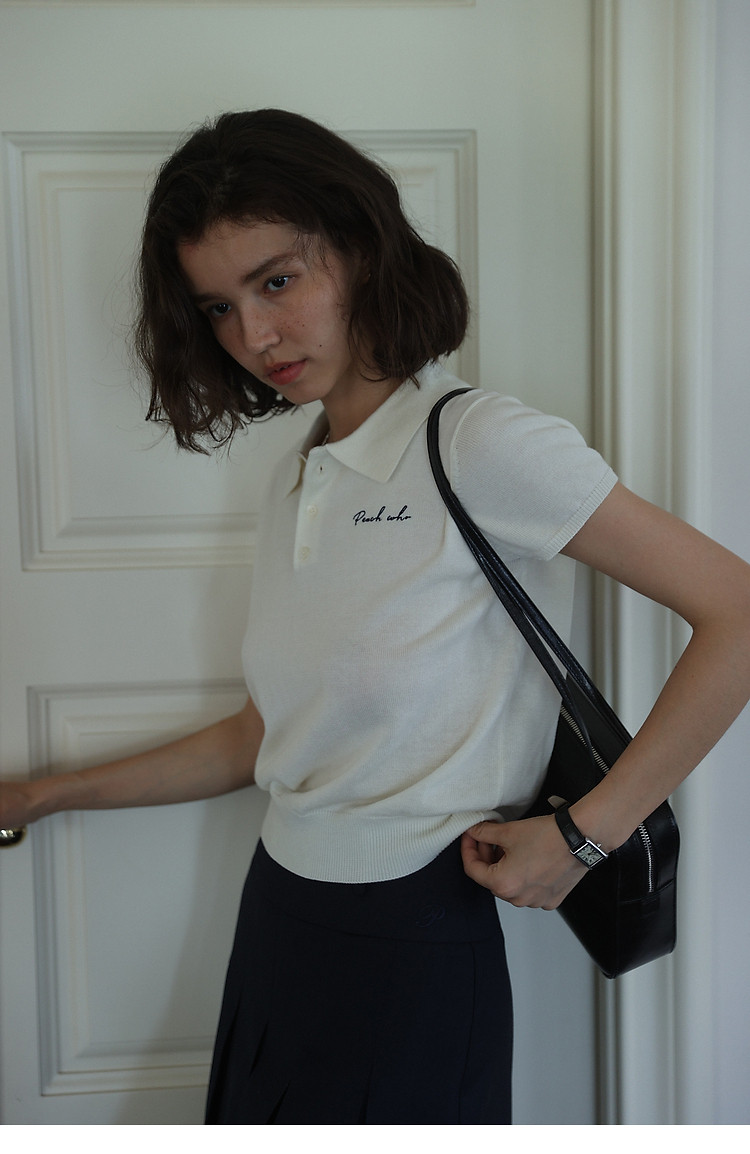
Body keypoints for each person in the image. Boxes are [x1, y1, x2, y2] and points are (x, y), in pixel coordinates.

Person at [3, 108, 750, 1125]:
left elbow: (736, 610)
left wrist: (586, 837)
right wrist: (43, 793)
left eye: (277, 281)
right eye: (218, 307)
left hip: (414, 938)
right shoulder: (299, 474)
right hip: (280, 913)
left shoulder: (478, 442)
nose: (253, 336)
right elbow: (269, 735)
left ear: (360, 248)